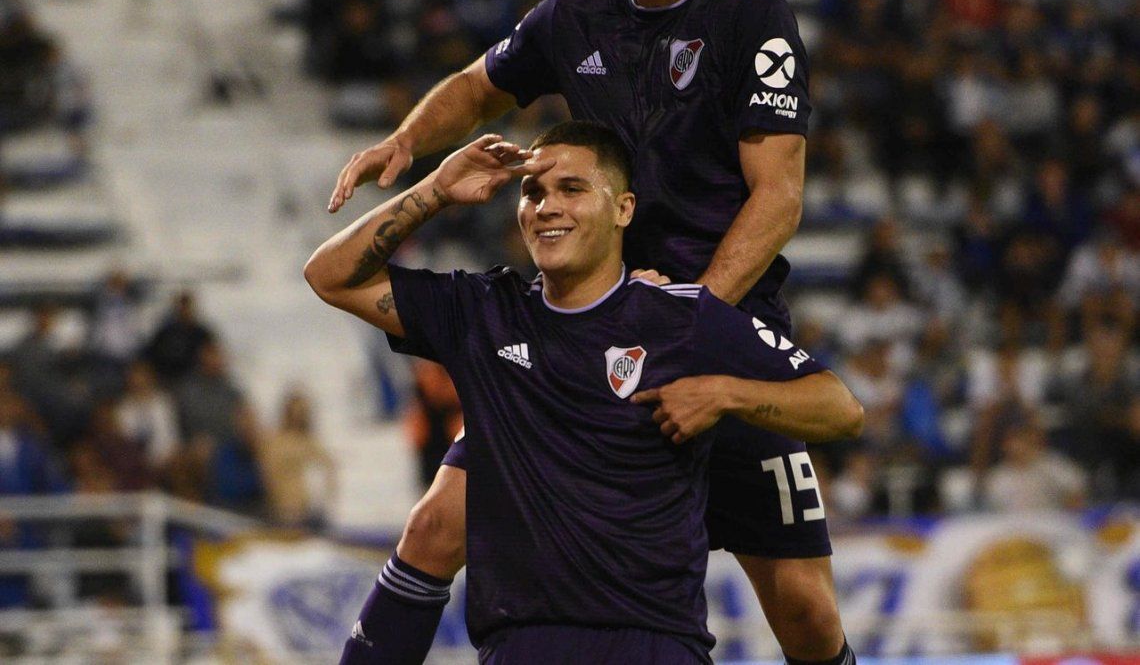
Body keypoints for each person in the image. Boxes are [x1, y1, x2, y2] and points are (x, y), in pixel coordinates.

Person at [325, 0, 857, 664]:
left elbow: (778, 197)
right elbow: (477, 87)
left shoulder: (752, 20)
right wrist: (407, 142)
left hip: (718, 335)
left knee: (804, 612)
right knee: (434, 527)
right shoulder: (576, 14)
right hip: (579, 337)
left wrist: (689, 322)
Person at [306, 124, 863, 663]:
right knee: (430, 528)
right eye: (533, 192)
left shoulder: (685, 318)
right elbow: (329, 275)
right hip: (522, 647)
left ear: (623, 209)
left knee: (807, 612)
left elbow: (840, 407)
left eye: (572, 189)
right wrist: (436, 189)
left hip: (653, 645)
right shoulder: (484, 313)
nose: (548, 206)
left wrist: (725, 394)